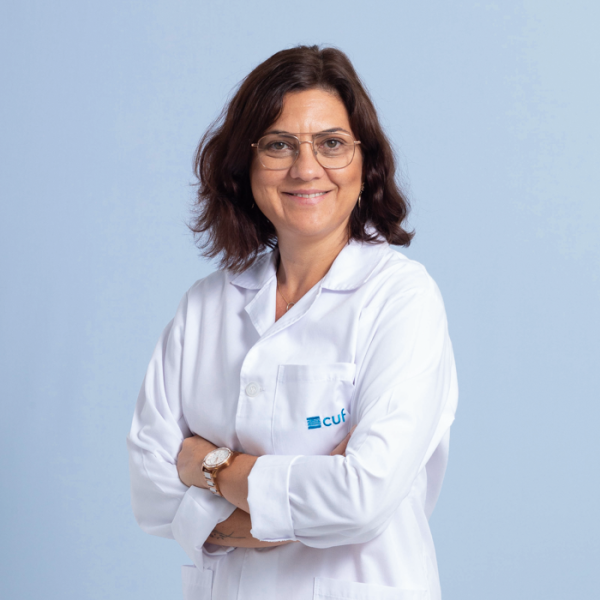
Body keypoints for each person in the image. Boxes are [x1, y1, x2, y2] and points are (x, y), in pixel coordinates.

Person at [127, 45, 458, 600]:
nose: (306, 169)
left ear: (366, 164)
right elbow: (150, 491)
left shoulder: (402, 299)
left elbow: (361, 498)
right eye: (279, 144)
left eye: (332, 144)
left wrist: (211, 467)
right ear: (247, 166)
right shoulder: (205, 306)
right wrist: (300, 502)